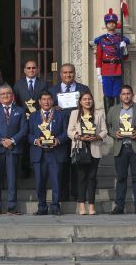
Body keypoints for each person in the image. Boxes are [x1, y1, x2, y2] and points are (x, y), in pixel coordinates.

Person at [107, 85, 136, 215]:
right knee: (121, 178)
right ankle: (119, 206)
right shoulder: (113, 110)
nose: (126, 96)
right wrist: (114, 134)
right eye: (123, 94)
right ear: (120, 96)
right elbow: (108, 127)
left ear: (132, 95)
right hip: (120, 148)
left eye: (128, 93)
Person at [48, 63, 90, 202]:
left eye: (70, 72)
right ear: (60, 74)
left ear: (74, 73)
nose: (68, 75)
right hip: (59, 132)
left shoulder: (83, 89)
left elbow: (89, 105)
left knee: (77, 164)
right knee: (62, 163)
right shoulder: (52, 90)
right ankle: (63, 194)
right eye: (65, 72)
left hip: (78, 131)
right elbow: (46, 106)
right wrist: (53, 106)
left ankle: (77, 194)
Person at [0, 85, 27, 215]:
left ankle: (12, 206)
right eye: (2, 94)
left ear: (12, 95)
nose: (5, 96)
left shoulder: (20, 110)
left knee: (12, 178)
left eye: (8, 93)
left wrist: (12, 140)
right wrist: (1, 141)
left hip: (13, 148)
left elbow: (23, 130)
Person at [28, 91, 69, 215]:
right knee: (40, 182)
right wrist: (36, 141)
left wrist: (58, 140)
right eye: (43, 99)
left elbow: (66, 132)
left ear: (52, 101)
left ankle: (55, 207)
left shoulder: (61, 115)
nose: (46, 102)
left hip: (55, 152)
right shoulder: (33, 116)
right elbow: (28, 134)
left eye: (49, 99)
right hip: (39, 153)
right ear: (39, 102)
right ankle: (42, 207)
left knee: (56, 181)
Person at [67, 91, 107, 215]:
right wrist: (79, 137)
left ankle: (91, 205)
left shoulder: (99, 114)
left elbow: (104, 131)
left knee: (92, 177)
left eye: (89, 99)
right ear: (80, 101)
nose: (87, 101)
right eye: (84, 99)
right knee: (81, 177)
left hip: (94, 147)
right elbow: (70, 131)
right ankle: (81, 205)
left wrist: (97, 137)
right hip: (80, 148)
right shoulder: (75, 113)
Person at [13, 60, 47, 178]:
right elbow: (16, 102)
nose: (31, 70)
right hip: (23, 119)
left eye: (33, 68)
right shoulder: (18, 84)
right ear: (24, 70)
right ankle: (25, 168)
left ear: (37, 70)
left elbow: (45, 100)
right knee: (24, 144)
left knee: (38, 141)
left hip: (39, 119)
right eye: (29, 68)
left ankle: (38, 167)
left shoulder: (42, 84)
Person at [94, 8, 130, 115]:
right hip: (106, 70)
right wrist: (98, 72)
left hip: (117, 69)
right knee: (107, 94)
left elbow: (125, 57)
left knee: (116, 94)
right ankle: (108, 118)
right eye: (109, 23)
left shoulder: (121, 39)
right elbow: (98, 57)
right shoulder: (101, 40)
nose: (111, 25)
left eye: (113, 23)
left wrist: (124, 48)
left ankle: (116, 117)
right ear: (106, 25)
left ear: (115, 24)